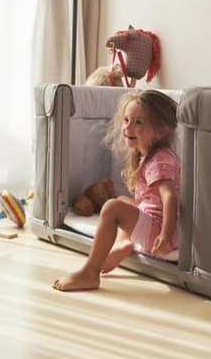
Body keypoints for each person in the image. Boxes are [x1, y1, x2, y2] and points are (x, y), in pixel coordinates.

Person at [53, 90, 180, 292]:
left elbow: (170, 197)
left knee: (112, 208)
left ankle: (90, 273)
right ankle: (123, 243)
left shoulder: (159, 161)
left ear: (161, 131)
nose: (128, 127)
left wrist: (165, 235)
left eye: (138, 122)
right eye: (126, 120)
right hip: (156, 224)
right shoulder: (150, 156)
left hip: (161, 233)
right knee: (122, 200)